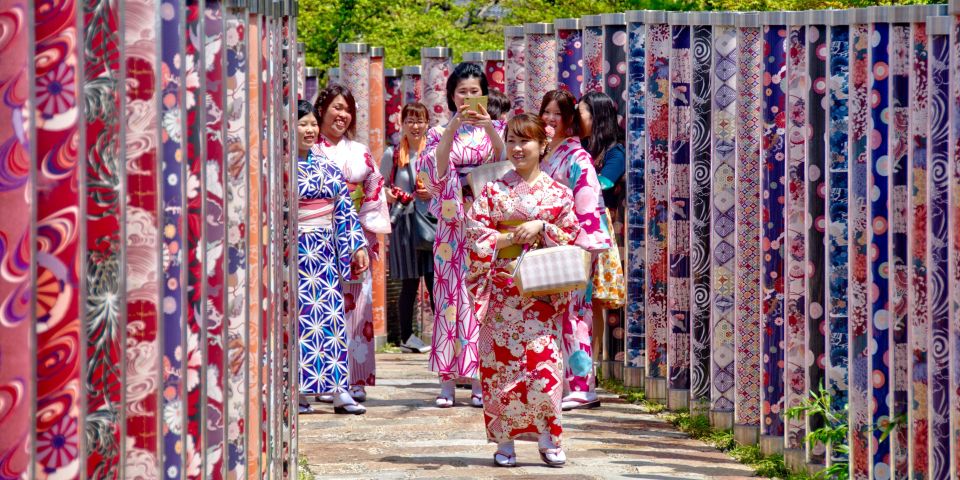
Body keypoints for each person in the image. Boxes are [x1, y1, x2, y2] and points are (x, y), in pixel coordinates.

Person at [466, 113, 581, 467]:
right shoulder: (491, 190)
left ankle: (548, 437)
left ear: (543, 144)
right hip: (503, 290)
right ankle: (505, 441)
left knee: (543, 367)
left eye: (525, 141)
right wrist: (507, 237)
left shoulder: (559, 193)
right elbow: (474, 234)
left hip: (540, 293)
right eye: (512, 140)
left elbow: (571, 236)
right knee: (501, 369)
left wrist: (543, 226)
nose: (517, 148)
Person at [417, 62, 505, 408]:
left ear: (484, 93)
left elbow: (504, 163)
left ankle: (481, 378)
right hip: (453, 223)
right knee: (449, 298)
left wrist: (492, 130)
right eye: (461, 92)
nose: (468, 97)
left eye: (474, 91)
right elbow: (436, 169)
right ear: (452, 97)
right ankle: (447, 380)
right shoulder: (439, 132)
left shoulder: (496, 127)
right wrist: (453, 127)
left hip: (484, 220)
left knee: (482, 298)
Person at [311, 85, 391, 403]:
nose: (342, 115)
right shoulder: (308, 150)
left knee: (357, 310)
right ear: (321, 110)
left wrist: (364, 237)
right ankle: (323, 378)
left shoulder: (359, 152)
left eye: (347, 110)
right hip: (316, 239)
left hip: (354, 236)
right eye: (336, 107)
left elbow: (373, 190)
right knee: (321, 309)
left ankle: (354, 378)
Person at [539, 90, 611, 411]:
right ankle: (569, 380)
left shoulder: (577, 157)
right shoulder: (548, 153)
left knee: (576, 315)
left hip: (575, 244)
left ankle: (584, 385)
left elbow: (587, 201)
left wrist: (583, 240)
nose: (550, 119)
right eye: (546, 112)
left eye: (558, 114)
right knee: (559, 314)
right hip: (553, 243)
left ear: (570, 120)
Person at [295, 99, 369, 415]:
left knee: (332, 320)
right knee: (296, 322)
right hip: (293, 254)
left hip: (323, 253)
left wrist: (357, 246)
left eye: (313, 123)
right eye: (303, 124)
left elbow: (343, 209)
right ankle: (295, 391)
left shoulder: (326, 165)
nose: (310, 130)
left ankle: (339, 390)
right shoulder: (275, 167)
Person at [578, 91, 627, 378]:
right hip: (572, 227)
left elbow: (602, 184)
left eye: (580, 113)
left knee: (592, 299)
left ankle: (590, 365)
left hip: (596, 228)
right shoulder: (577, 147)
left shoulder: (614, 152)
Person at [382, 102, 435, 352]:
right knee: (409, 282)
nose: (415, 126)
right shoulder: (392, 154)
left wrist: (432, 191)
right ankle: (406, 337)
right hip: (404, 222)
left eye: (420, 120)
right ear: (401, 124)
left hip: (431, 221)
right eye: (410, 120)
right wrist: (389, 195)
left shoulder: (435, 152)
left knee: (436, 280)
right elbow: (378, 186)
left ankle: (442, 335)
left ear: (427, 124)